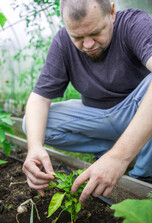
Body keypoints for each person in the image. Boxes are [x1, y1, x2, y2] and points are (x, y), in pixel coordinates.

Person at [22, 0, 152, 205]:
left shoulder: (133, 24)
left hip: (137, 111)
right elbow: (39, 98)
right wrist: (34, 148)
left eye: (96, 32)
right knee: (33, 124)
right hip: (97, 116)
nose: (88, 44)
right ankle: (123, 150)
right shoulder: (62, 41)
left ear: (111, 12)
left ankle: (143, 174)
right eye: (78, 37)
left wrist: (118, 158)